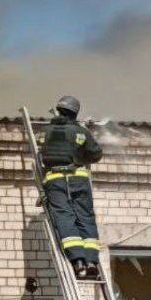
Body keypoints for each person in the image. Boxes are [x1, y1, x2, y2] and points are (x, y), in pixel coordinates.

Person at [36, 95, 104, 279]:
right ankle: (92, 262)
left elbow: (40, 149)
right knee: (85, 218)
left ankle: (78, 262)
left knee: (65, 218)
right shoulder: (81, 132)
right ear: (75, 113)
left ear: (59, 110)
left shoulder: (44, 132)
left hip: (55, 180)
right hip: (78, 179)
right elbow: (96, 154)